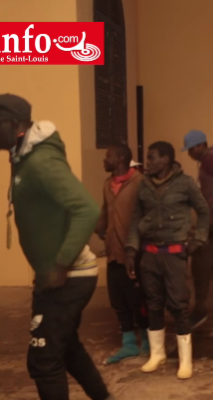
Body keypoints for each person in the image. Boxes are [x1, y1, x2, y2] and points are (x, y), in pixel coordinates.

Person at [0, 93, 114, 400]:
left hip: (69, 277)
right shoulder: (21, 155)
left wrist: (61, 264)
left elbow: (87, 209)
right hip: (55, 276)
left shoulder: (40, 162)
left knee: (44, 360)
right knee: (67, 348)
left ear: (14, 124)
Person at [125, 141, 210, 380]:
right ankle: (158, 354)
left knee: (179, 306)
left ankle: (185, 361)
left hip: (174, 256)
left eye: (152, 158)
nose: (147, 162)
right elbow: (135, 220)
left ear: (166, 160)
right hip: (149, 255)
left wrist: (198, 239)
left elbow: (204, 211)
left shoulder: (185, 184)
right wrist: (131, 251)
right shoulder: (144, 185)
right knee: (153, 304)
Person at [96, 145, 150, 365]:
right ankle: (129, 344)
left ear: (119, 159)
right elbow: (105, 212)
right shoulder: (108, 184)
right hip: (113, 253)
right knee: (118, 300)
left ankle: (148, 343)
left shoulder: (140, 183)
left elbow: (148, 214)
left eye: (107, 156)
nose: (104, 159)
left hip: (134, 253)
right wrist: (101, 230)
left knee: (138, 299)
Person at [181, 130, 213, 328]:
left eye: (190, 150)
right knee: (200, 265)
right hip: (212, 220)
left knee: (200, 265)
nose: (189, 154)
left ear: (199, 146)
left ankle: (200, 311)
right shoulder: (209, 159)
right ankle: (199, 309)